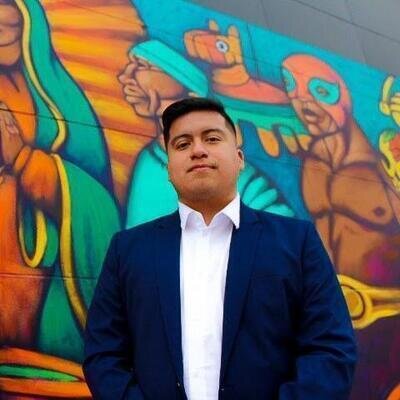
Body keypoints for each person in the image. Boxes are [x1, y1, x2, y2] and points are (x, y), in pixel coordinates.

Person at [83, 98, 357, 399]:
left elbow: (330, 348)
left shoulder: (296, 241)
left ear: (239, 158)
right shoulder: (128, 250)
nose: (198, 150)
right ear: (169, 168)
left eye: (212, 139)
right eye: (182, 144)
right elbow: (103, 354)